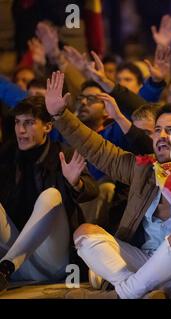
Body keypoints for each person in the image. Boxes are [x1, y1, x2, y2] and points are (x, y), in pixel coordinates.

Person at [44, 71, 171, 299]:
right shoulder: (143, 168)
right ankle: (145, 293)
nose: (162, 135)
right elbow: (98, 149)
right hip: (146, 262)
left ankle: (119, 295)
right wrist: (61, 115)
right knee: (85, 233)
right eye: (157, 130)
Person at [0, 95, 98, 294]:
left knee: (51, 195)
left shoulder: (63, 154)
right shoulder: (6, 155)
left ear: (47, 127)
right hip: (13, 258)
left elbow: (92, 190)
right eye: (18, 123)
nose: (20, 130)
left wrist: (75, 183)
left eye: (29, 123)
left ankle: (6, 267)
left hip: (51, 261)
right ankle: (6, 267)